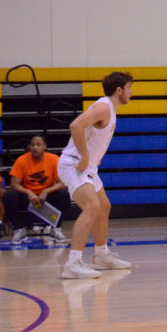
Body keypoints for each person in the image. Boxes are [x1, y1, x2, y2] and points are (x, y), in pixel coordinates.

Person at [58, 72, 134, 279]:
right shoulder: (103, 107)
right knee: (92, 207)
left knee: (104, 206)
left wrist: (91, 159)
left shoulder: (109, 109)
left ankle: (101, 256)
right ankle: (72, 263)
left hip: (88, 167)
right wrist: (84, 156)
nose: (131, 92)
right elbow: (75, 125)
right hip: (74, 163)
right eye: (129, 88)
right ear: (119, 90)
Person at [4, 135, 71, 244]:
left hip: (46, 197)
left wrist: (46, 191)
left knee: (64, 194)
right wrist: (28, 192)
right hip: (28, 198)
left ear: (44, 147)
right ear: (29, 147)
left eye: (38, 145)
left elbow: (62, 183)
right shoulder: (21, 160)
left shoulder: (53, 159)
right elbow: (14, 184)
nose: (35, 147)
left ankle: (56, 229)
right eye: (32, 145)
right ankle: (19, 230)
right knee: (9, 196)